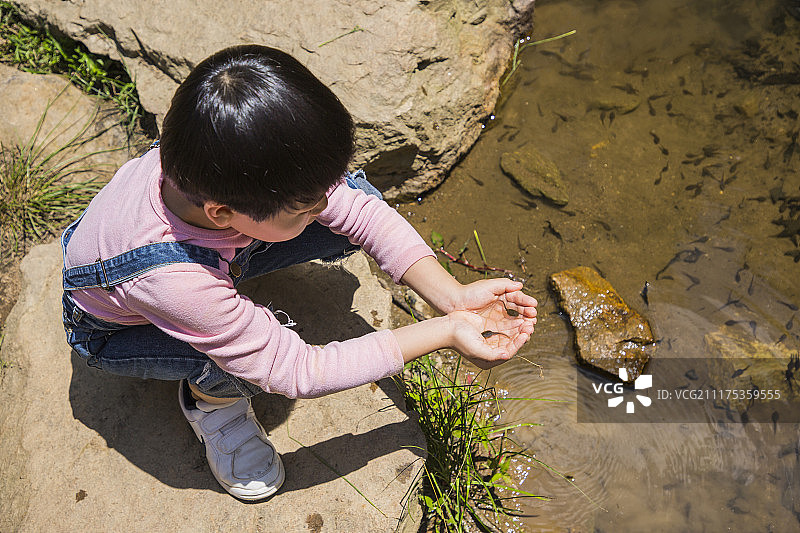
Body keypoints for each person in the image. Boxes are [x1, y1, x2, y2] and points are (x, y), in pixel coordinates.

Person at [61, 44, 537, 501]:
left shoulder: (209, 147)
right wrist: (445, 331)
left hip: (187, 251)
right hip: (109, 329)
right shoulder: (176, 283)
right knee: (235, 364)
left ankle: (243, 274)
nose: (325, 204)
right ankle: (213, 404)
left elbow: (359, 212)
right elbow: (298, 371)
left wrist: (451, 297)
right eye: (306, 206)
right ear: (224, 212)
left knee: (355, 206)